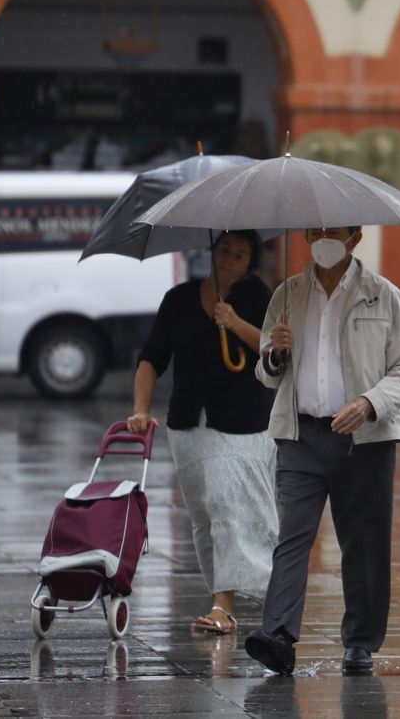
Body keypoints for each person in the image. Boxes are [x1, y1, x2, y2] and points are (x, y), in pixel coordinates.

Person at [243, 226, 400, 677]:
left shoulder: (384, 297)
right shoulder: (287, 294)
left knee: (363, 542)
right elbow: (266, 371)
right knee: (292, 536)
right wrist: (274, 355)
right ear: (305, 235)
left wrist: (368, 403)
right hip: (300, 435)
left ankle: (361, 641)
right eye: (318, 231)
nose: (325, 238)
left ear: (355, 237)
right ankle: (278, 635)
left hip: (364, 440)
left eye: (336, 232)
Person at [125, 230, 275, 637]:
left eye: (239, 256)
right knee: (205, 515)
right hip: (189, 423)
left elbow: (275, 350)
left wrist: (234, 322)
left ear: (250, 264)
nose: (228, 260)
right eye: (223, 251)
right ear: (211, 252)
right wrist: (140, 409)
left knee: (229, 504)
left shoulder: (259, 297)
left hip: (243, 421)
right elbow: (151, 359)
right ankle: (221, 595)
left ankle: (224, 607)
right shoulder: (178, 300)